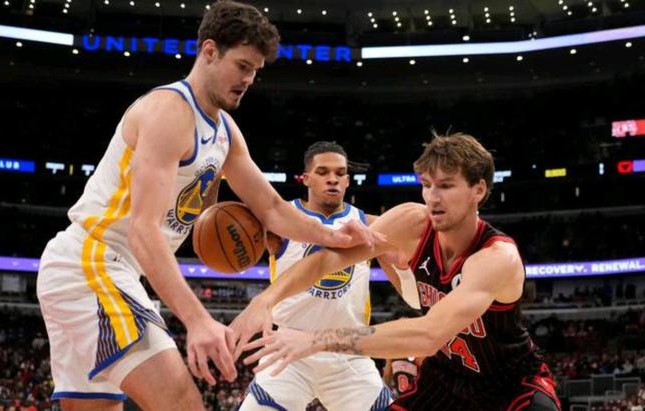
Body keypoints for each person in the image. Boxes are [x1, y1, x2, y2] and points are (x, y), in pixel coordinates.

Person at [35, 2, 377, 410]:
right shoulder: (169, 112)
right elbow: (143, 230)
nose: (248, 80)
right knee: (181, 400)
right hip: (92, 263)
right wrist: (197, 320)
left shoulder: (224, 130)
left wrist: (333, 235)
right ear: (209, 51)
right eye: (242, 66)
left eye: (255, 71)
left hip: (103, 269)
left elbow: (270, 208)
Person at [234, 133, 562, 411]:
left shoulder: (496, 257)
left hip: (509, 388)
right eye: (427, 185)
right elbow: (328, 261)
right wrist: (265, 299)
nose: (433, 197)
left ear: (478, 190)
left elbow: (428, 334)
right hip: (446, 380)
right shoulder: (411, 222)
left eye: (446, 186)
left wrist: (317, 340)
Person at [236, 141, 394, 411]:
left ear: (347, 181)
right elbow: (239, 214)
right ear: (306, 178)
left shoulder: (369, 224)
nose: (332, 179)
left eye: (340, 173)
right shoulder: (280, 221)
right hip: (289, 349)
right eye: (322, 172)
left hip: (347, 350)